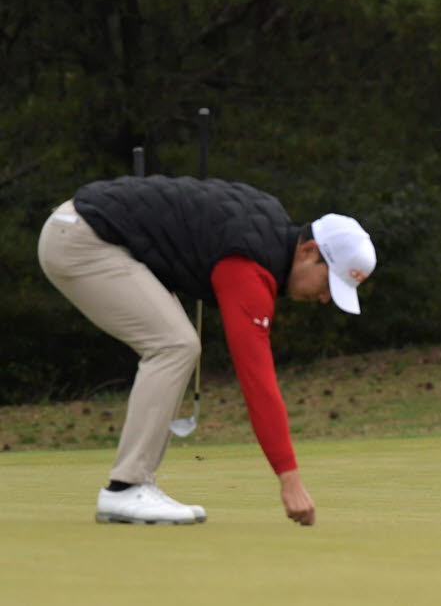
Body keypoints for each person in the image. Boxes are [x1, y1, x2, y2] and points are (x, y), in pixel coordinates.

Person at [37, 175, 377, 525]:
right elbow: (257, 380)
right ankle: (125, 489)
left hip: (81, 228)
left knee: (178, 342)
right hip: (82, 240)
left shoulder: (269, 224)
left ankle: (135, 484)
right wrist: (289, 479)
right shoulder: (250, 265)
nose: (325, 298)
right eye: (328, 283)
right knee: (174, 344)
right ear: (308, 251)